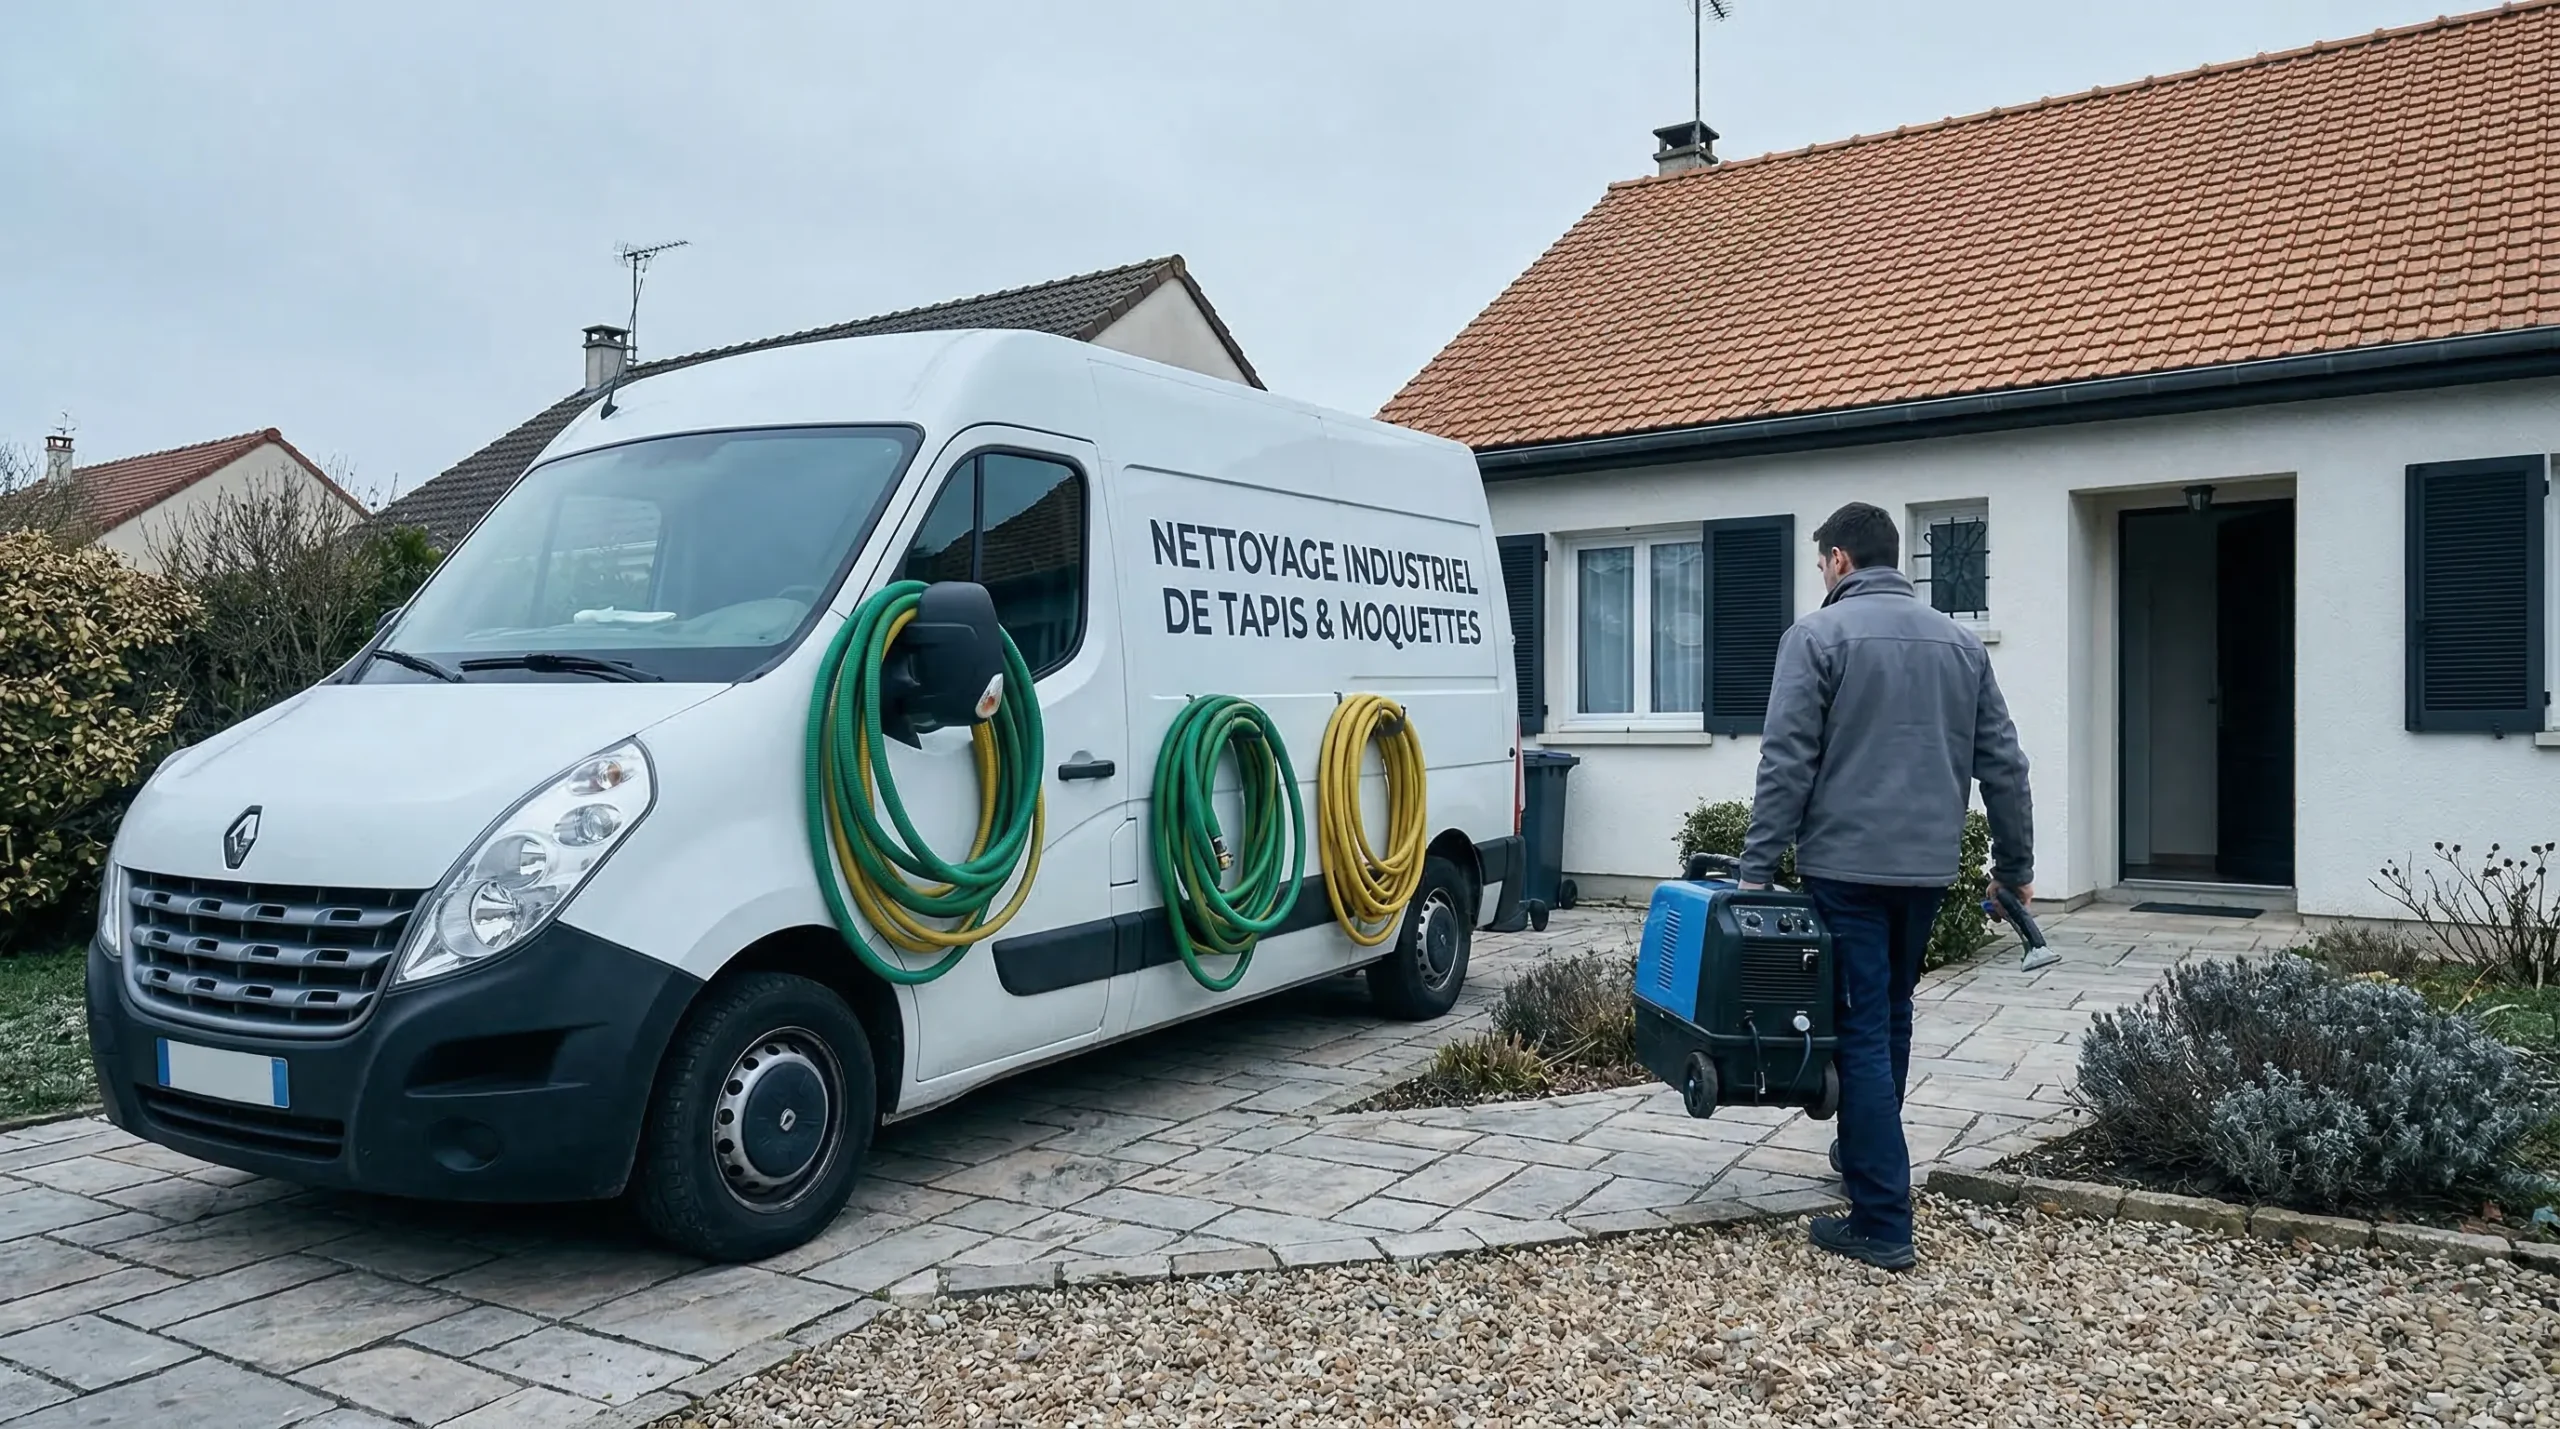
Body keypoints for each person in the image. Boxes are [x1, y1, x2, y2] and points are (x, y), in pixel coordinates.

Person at [1738, 502, 2033, 1271]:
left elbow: (1786, 762)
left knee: (1861, 1028)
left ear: (1839, 560)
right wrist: (2015, 870)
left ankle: (1880, 1217)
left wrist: (1756, 868)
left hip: (1844, 868)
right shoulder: (1961, 644)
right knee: (1891, 1011)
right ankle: (1866, 1148)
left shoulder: (1816, 638)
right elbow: (2004, 765)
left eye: (1820, 564)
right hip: (1926, 870)